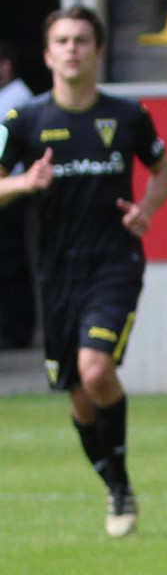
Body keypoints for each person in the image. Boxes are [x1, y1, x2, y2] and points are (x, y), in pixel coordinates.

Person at [0, 6, 167, 537]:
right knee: (79, 394)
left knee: (96, 370)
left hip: (115, 263)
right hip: (57, 274)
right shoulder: (22, 121)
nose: (72, 49)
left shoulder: (128, 115)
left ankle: (118, 490)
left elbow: (164, 171)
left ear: (98, 51)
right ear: (48, 53)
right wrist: (24, 183)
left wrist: (147, 210)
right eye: (62, 41)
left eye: (81, 40)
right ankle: (117, 484)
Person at [0, 40, 36, 350]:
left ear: (6, 66)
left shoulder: (16, 100)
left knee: (10, 260)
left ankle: (15, 330)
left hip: (12, 190)